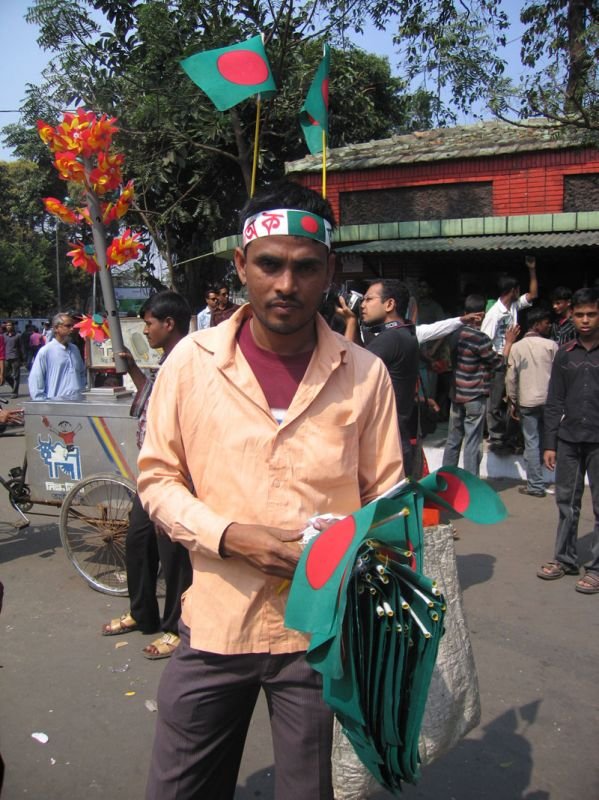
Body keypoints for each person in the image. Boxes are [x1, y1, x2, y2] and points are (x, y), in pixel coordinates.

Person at [137, 181, 402, 800]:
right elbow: (156, 478)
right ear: (241, 266)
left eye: (306, 268)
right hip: (214, 624)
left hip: (321, 637)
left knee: (311, 790)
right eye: (270, 265)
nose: (287, 285)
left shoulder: (365, 375)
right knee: (178, 787)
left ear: (330, 272)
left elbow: (387, 498)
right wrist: (230, 536)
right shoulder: (191, 362)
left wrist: (359, 547)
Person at [102, 291, 193, 658]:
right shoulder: (166, 362)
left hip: (177, 476)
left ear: (168, 324)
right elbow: (150, 400)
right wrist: (133, 368)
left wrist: (177, 484)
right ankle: (142, 613)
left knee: (173, 556)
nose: (146, 329)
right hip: (151, 474)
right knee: (138, 542)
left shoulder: (190, 363)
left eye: (149, 323)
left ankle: (175, 626)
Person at [537, 288, 599, 594]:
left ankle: (597, 568)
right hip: (569, 440)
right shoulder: (565, 353)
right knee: (566, 503)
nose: (585, 320)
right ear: (571, 316)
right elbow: (554, 401)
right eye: (580, 315)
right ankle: (565, 559)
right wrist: (549, 443)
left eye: (591, 314)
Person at [338, 279, 419, 476]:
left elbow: (348, 370)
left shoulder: (390, 339)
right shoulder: (403, 333)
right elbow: (363, 355)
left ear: (389, 304)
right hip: (396, 438)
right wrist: (354, 325)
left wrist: (349, 322)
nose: (362, 305)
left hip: (386, 445)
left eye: (368, 299)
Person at [442, 294, 518, 477]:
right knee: (473, 441)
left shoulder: (454, 334)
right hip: (474, 395)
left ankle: (445, 480)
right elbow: (498, 364)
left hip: (456, 394)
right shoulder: (480, 338)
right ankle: (470, 483)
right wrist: (508, 344)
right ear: (481, 314)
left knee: (453, 439)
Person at [481, 256, 538, 453]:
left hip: (513, 358)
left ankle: (510, 435)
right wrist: (507, 344)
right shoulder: (493, 314)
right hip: (497, 360)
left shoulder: (513, 306)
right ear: (512, 290)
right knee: (495, 401)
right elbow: (485, 342)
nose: (520, 292)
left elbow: (533, 294)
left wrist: (532, 270)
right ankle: (496, 436)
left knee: (513, 398)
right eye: (517, 289)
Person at [506, 308, 558, 497]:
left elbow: (510, 378)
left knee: (532, 441)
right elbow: (560, 375)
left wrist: (512, 400)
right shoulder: (552, 345)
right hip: (549, 399)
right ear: (536, 324)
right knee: (547, 438)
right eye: (546, 322)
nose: (549, 325)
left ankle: (535, 484)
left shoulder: (517, 347)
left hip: (527, 401)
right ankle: (543, 480)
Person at [27, 313, 86, 401]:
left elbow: (82, 373)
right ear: (56, 328)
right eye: (68, 326)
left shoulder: (75, 349)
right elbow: (36, 380)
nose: (72, 329)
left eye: (73, 326)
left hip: (78, 404)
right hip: (56, 406)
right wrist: (42, 406)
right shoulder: (46, 351)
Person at [3, 321, 24, 399]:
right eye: (7, 325)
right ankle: (14, 386)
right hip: (6, 358)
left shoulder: (18, 336)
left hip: (15, 358)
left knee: (15, 376)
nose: (8, 326)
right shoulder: (3, 336)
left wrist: (22, 359)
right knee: (5, 375)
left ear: (13, 326)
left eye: (10, 325)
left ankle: (14, 392)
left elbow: (21, 347)